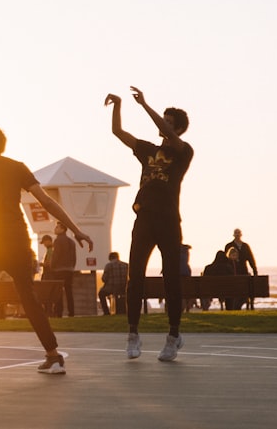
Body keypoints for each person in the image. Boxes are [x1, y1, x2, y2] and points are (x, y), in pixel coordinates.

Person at [0, 124, 93, 382]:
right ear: (3, 146)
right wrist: (76, 230)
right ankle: (54, 357)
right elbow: (46, 201)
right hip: (17, 241)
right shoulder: (17, 167)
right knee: (30, 299)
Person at [106, 86, 193, 362]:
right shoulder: (147, 151)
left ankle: (173, 335)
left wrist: (144, 105)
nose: (164, 126)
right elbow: (118, 134)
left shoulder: (183, 152)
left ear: (177, 129)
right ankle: (133, 334)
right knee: (136, 280)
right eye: (163, 120)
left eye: (169, 122)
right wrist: (119, 106)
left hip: (168, 223)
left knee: (171, 280)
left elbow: (169, 135)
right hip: (143, 221)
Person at [48, 222, 77, 317]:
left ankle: (59, 312)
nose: (55, 229)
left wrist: (52, 266)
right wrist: (72, 267)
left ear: (62, 229)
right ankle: (71, 312)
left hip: (59, 270)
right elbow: (74, 258)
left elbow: (56, 255)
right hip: (69, 270)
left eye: (57, 227)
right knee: (69, 291)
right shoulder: (72, 242)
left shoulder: (57, 241)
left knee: (59, 292)